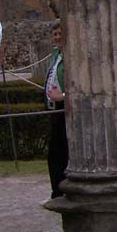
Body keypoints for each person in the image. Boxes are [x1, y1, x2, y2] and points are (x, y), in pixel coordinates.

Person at [44, 22, 68, 199]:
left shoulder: (70, 56)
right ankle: (57, 191)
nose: (57, 37)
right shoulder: (56, 55)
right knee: (54, 154)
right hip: (53, 109)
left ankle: (62, 191)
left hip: (65, 108)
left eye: (60, 33)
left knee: (62, 153)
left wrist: (63, 96)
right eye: (55, 34)